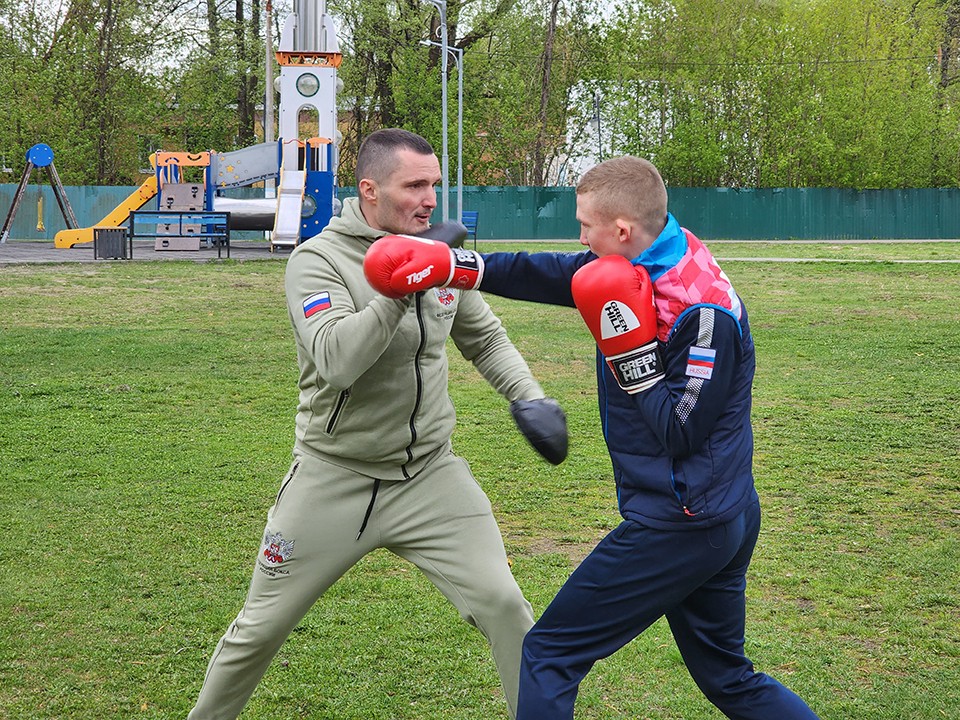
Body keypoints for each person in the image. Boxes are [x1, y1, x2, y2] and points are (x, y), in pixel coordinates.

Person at [363, 155, 821, 719]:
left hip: (683, 521)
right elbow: (563, 274)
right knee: (728, 676)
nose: (579, 237)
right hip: (718, 508)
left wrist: (632, 358)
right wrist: (457, 266)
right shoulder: (656, 252)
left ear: (622, 230)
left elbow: (681, 430)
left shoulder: (702, 314)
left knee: (549, 653)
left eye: (586, 225)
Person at [186, 128, 567, 720]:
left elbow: (485, 339)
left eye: (433, 185)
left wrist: (529, 397)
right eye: (414, 185)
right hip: (334, 475)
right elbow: (336, 361)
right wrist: (394, 289)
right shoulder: (318, 260)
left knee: (505, 605)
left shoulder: (438, 255)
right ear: (370, 190)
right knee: (258, 631)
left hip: (429, 476)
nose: (429, 200)